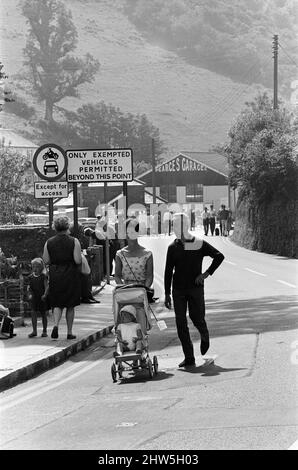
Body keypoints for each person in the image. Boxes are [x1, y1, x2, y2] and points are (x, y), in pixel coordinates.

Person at [164, 213, 224, 367]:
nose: (176, 228)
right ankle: (189, 357)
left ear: (186, 226)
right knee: (180, 322)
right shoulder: (173, 247)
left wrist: (205, 274)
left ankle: (204, 334)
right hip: (178, 290)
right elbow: (168, 271)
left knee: (197, 317)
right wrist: (166, 293)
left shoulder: (198, 243)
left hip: (195, 289)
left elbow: (219, 256)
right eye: (174, 225)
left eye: (179, 225)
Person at [43, 215, 82, 340]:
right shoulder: (74, 241)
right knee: (70, 305)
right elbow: (77, 260)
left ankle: (55, 325)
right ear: (67, 226)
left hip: (55, 274)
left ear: (55, 227)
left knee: (57, 303)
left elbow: (46, 260)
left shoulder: (49, 242)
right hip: (70, 274)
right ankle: (69, 332)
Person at [114, 218, 154, 289]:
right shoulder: (120, 254)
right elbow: (117, 276)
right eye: (127, 232)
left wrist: (144, 290)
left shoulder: (147, 254)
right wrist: (124, 289)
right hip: (126, 293)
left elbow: (149, 277)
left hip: (142, 293)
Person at [27, 257, 49, 338]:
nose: (35, 269)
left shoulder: (43, 276)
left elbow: (47, 286)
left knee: (43, 314)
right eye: (33, 267)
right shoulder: (30, 277)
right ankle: (34, 331)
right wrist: (29, 294)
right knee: (33, 313)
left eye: (37, 267)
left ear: (41, 267)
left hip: (42, 297)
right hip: (34, 297)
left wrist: (45, 295)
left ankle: (44, 331)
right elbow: (29, 288)